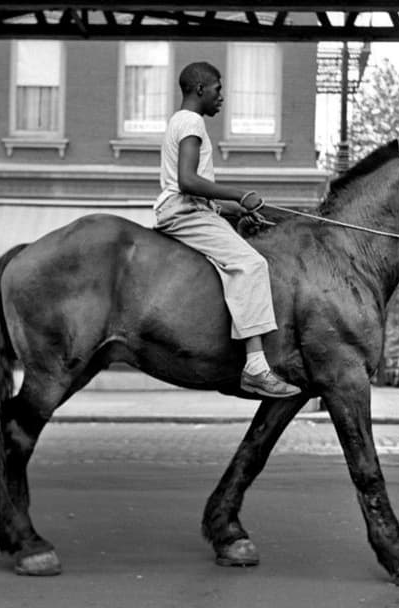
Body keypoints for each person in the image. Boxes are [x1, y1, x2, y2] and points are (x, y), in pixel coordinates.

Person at [154, 61, 300, 399]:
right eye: (219, 90)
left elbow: (194, 190)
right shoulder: (191, 122)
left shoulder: (181, 121)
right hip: (184, 211)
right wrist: (239, 194)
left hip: (188, 208)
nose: (223, 97)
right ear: (201, 88)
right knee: (252, 265)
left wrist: (236, 211)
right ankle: (256, 367)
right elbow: (187, 181)